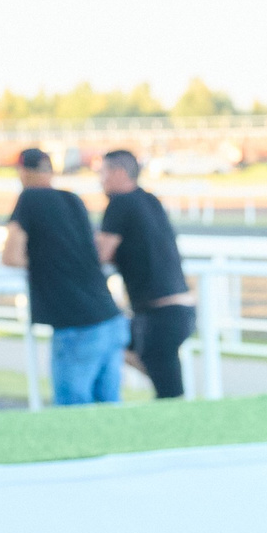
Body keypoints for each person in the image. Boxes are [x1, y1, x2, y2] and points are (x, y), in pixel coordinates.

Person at [1, 148, 125, 404]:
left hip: (76, 325)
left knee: (73, 417)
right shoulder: (73, 200)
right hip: (110, 318)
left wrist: (41, 264)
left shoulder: (30, 198)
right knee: (110, 416)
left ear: (23, 172)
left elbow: (10, 256)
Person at [96, 149, 196, 399]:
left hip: (158, 315)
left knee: (170, 395)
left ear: (119, 173)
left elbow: (101, 254)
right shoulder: (149, 200)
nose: (101, 180)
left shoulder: (119, 203)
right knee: (119, 346)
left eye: (103, 172)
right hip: (179, 309)